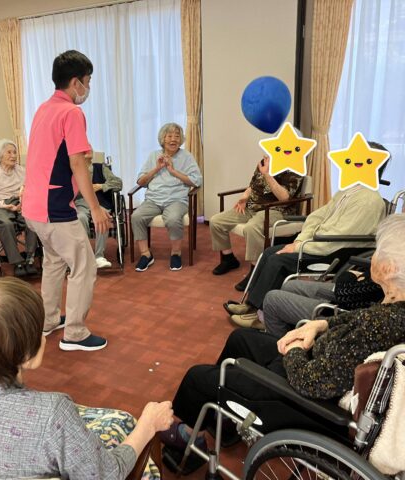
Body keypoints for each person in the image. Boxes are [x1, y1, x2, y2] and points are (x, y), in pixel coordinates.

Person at [161, 213, 405, 475]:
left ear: (389, 268)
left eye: (377, 251)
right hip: (320, 367)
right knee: (240, 338)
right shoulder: (392, 310)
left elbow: (312, 382)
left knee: (197, 378)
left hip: (304, 399)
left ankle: (190, 437)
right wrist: (320, 325)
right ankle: (226, 417)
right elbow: (358, 320)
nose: (372, 257)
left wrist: (295, 349)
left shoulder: (378, 326)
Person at [0, 277, 173, 480]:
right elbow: (107, 475)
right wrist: (148, 425)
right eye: (39, 332)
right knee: (130, 427)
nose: (43, 338)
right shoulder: (53, 413)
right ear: (26, 356)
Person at [226, 142, 390, 326]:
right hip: (320, 243)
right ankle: (250, 304)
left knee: (277, 261)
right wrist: (300, 241)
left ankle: (260, 316)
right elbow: (317, 216)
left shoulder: (370, 200)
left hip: (335, 252)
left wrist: (300, 247)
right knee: (269, 253)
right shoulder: (349, 190)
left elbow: (341, 238)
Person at [22, 50, 111, 352]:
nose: (88, 87)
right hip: (54, 206)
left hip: (33, 205)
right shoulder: (72, 112)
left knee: (54, 261)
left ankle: (48, 320)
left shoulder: (43, 108)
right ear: (76, 82)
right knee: (84, 266)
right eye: (88, 81)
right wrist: (96, 208)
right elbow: (77, 163)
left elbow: (55, 153)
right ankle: (74, 333)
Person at [209, 155, 303, 290]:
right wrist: (244, 197)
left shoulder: (295, 168)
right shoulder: (264, 162)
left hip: (276, 210)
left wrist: (267, 175)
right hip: (252, 207)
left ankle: (255, 271)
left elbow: (284, 197)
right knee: (216, 221)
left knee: (251, 228)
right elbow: (252, 186)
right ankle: (228, 259)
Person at [131, 122, 202, 272]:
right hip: (153, 199)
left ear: (181, 140)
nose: (173, 139)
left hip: (177, 200)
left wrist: (173, 171)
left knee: (173, 218)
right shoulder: (154, 156)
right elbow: (141, 181)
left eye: (177, 136)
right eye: (169, 136)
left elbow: (197, 181)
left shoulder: (186, 157)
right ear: (163, 139)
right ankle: (145, 254)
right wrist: (157, 168)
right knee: (136, 217)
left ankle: (176, 253)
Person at [0, 138, 38, 278]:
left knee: (32, 220)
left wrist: (22, 203)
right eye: (9, 152)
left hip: (21, 202)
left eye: (14, 152)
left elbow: (31, 190)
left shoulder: (22, 171)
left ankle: (30, 258)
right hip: (1, 205)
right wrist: (5, 205)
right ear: (0, 156)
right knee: (6, 224)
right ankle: (17, 262)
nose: (13, 155)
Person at [75, 149, 123, 268]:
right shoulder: (73, 171)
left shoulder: (100, 168)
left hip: (101, 204)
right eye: (84, 148)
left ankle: (99, 256)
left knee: (103, 217)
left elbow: (118, 183)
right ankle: (85, 256)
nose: (88, 149)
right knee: (80, 218)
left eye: (89, 147)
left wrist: (101, 186)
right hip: (82, 204)